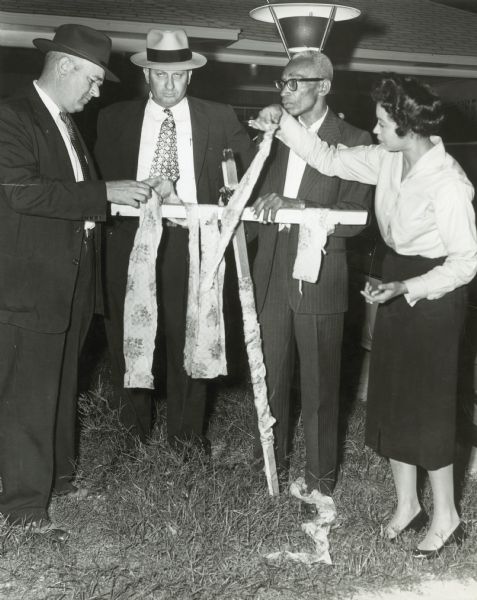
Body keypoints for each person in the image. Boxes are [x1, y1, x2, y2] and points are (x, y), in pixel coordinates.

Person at [252, 74, 477, 556]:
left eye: (381, 123)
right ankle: (406, 507)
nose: (373, 131)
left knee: (428, 407)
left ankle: (446, 515)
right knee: (392, 398)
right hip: (395, 279)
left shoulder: (450, 183)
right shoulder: (390, 159)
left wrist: (408, 287)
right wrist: (284, 121)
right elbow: (329, 158)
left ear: (408, 127)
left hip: (435, 293)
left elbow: (466, 263)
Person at [0, 24, 158, 540]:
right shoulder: (13, 116)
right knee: (29, 398)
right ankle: (23, 509)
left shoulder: (64, 124)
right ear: (64, 65)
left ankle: (59, 481)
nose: (95, 93)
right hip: (31, 288)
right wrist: (102, 192)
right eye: (91, 80)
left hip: (69, 287)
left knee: (62, 388)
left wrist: (118, 196)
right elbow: (23, 192)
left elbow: (74, 198)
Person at [94, 29, 254, 451]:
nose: (168, 85)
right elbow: (97, 183)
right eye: (160, 75)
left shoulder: (219, 117)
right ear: (146, 74)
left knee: (190, 337)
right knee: (128, 336)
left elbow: (245, 181)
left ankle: (185, 439)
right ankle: (131, 437)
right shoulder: (113, 119)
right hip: (128, 244)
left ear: (190, 77)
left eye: (178, 76)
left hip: (191, 243)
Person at [249, 50, 373, 505]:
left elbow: (358, 218)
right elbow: (250, 188)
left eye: (295, 83)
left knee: (320, 383)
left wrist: (303, 208)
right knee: (271, 376)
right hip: (272, 265)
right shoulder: (273, 134)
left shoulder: (355, 140)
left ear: (324, 86)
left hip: (321, 270)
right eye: (281, 83)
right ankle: (271, 470)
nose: (285, 92)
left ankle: (320, 482)